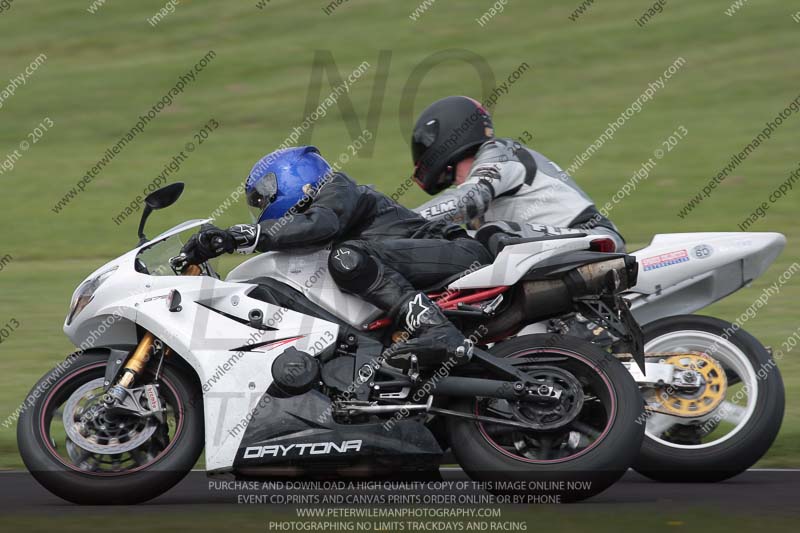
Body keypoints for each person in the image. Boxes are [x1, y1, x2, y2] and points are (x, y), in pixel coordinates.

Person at [180, 146, 492, 367]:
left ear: (293, 179)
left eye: (264, 198)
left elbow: (320, 223)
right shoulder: (321, 217)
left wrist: (243, 236)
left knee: (347, 258)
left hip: (456, 252)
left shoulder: (337, 187)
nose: (262, 210)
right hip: (430, 262)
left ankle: (436, 330)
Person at [411, 96, 626, 251]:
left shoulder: (500, 153)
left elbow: (466, 200)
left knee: (493, 235)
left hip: (596, 238)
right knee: (462, 243)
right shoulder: (481, 214)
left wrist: (399, 221)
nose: (455, 183)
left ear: (460, 146)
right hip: (561, 249)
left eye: (449, 172)